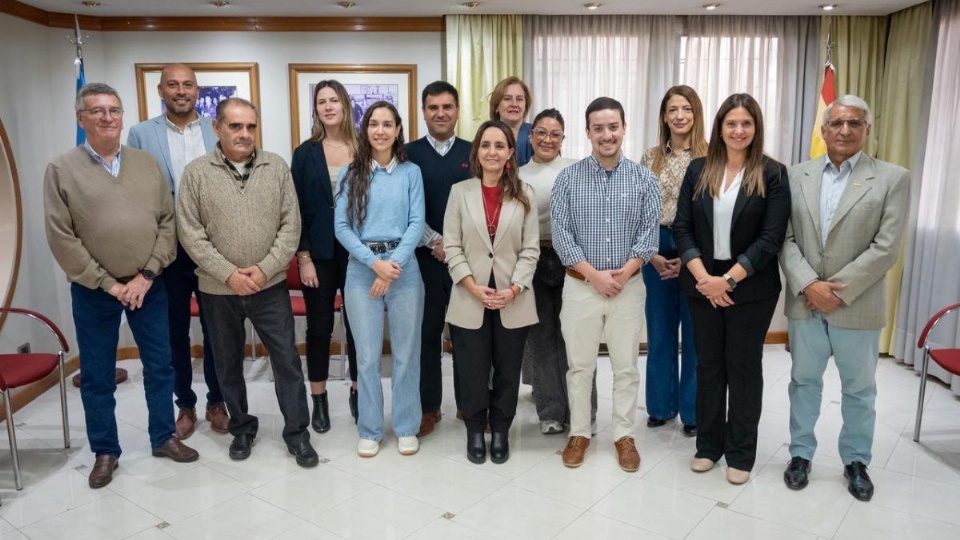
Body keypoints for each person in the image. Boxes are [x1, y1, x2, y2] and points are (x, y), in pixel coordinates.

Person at [44, 82, 200, 489]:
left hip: (149, 286)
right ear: (81, 118)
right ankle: (105, 451)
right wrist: (109, 284)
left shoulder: (146, 164)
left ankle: (163, 436)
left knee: (160, 366)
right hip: (95, 292)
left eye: (114, 110)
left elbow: (167, 223)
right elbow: (61, 237)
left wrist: (146, 275)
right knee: (97, 375)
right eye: (97, 110)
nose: (107, 117)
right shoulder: (62, 169)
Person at [780, 95, 909, 501]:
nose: (845, 130)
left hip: (858, 303)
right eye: (836, 123)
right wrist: (809, 284)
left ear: (867, 129)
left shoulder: (892, 178)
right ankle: (800, 454)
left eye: (854, 123)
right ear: (823, 131)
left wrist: (837, 290)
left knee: (859, 389)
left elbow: (886, 247)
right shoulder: (795, 175)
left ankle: (856, 460)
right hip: (805, 300)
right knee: (803, 381)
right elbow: (784, 238)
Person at [177, 97, 318, 468]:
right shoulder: (196, 173)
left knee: (287, 361)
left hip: (269, 287)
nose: (244, 133)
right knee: (227, 365)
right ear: (217, 128)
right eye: (235, 126)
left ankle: (297, 433)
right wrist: (228, 273)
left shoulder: (276, 167)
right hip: (217, 290)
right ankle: (241, 428)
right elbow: (190, 233)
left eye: (250, 126)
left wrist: (265, 268)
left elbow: (291, 224)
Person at [673, 93, 790, 485]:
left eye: (746, 123)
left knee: (742, 367)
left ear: (756, 128)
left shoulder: (773, 173)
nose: (739, 130)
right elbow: (682, 227)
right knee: (708, 365)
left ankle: (740, 453)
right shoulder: (698, 169)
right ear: (720, 127)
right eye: (731, 123)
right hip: (702, 280)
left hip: (750, 286)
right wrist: (705, 279)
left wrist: (727, 280)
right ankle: (708, 446)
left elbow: (770, 239)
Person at [552, 97, 660, 472]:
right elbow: (562, 236)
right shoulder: (567, 179)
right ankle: (579, 433)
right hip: (580, 287)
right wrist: (595, 276)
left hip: (628, 288)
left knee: (626, 367)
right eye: (598, 128)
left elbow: (648, 237)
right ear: (588, 132)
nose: (606, 135)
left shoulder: (645, 179)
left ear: (624, 128)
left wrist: (623, 274)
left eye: (613, 127)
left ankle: (624, 436)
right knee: (580, 367)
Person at [127, 63, 228, 440]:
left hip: (213, 248)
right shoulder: (140, 134)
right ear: (161, 90)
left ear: (197, 91)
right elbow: (135, 193)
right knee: (174, 332)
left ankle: (217, 401)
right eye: (173, 84)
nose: (181, 91)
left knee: (217, 329)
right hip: (166, 251)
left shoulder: (216, 130)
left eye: (188, 85)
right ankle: (184, 403)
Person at [443, 120, 539, 464]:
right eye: (486, 145)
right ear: (477, 152)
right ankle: (474, 429)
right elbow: (452, 246)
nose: (492, 152)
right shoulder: (460, 192)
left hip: (513, 299)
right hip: (470, 296)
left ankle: (500, 430)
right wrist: (471, 285)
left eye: (500, 145)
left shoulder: (525, 193)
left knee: (508, 371)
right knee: (472, 369)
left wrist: (513, 289)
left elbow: (531, 250)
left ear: (510, 152)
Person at [334, 101, 426, 458]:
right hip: (362, 272)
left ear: (398, 130)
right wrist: (376, 264)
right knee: (368, 357)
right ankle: (370, 429)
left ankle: (406, 427)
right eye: (374, 124)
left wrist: (392, 266)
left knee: (406, 354)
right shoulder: (350, 174)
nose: (381, 130)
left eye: (388, 124)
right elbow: (342, 227)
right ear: (366, 129)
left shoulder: (411, 173)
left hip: (404, 271)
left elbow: (416, 223)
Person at [519, 108, 598, 436]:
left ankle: (584, 413)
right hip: (534, 259)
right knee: (543, 339)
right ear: (531, 136)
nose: (547, 139)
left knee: (577, 339)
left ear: (563, 138)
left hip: (573, 260)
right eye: (541, 132)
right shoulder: (518, 175)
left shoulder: (578, 170)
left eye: (555, 134)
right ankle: (550, 412)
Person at [291, 80, 360, 433]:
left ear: (345, 105)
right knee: (319, 329)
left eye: (334, 100)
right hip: (317, 256)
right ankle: (318, 398)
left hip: (358, 254)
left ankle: (358, 391)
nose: (329, 106)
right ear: (316, 109)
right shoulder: (305, 153)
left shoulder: (364, 148)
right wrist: (303, 257)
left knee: (359, 326)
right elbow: (295, 209)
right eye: (322, 101)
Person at [640, 85, 709, 437]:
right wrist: (649, 253)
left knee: (695, 335)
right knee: (660, 330)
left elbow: (712, 213)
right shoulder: (650, 157)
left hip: (695, 249)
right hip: (655, 247)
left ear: (696, 114)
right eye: (672, 110)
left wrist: (690, 256)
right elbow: (637, 210)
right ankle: (661, 407)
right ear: (664, 117)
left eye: (686, 109)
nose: (679, 116)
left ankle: (693, 411)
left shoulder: (712, 156)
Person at [405, 81, 472, 436]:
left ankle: (469, 404)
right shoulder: (407, 153)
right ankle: (429, 407)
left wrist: (454, 245)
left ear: (457, 110)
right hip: (423, 260)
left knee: (467, 336)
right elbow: (402, 207)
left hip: (467, 262)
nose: (440, 113)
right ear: (424, 111)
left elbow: (481, 204)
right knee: (426, 335)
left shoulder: (474, 151)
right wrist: (435, 241)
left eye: (447, 106)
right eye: (433, 107)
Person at [489, 76, 534, 166]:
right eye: (507, 99)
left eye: (519, 99)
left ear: (525, 106)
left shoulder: (538, 134)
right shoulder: (484, 136)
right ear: (496, 106)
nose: (514, 104)